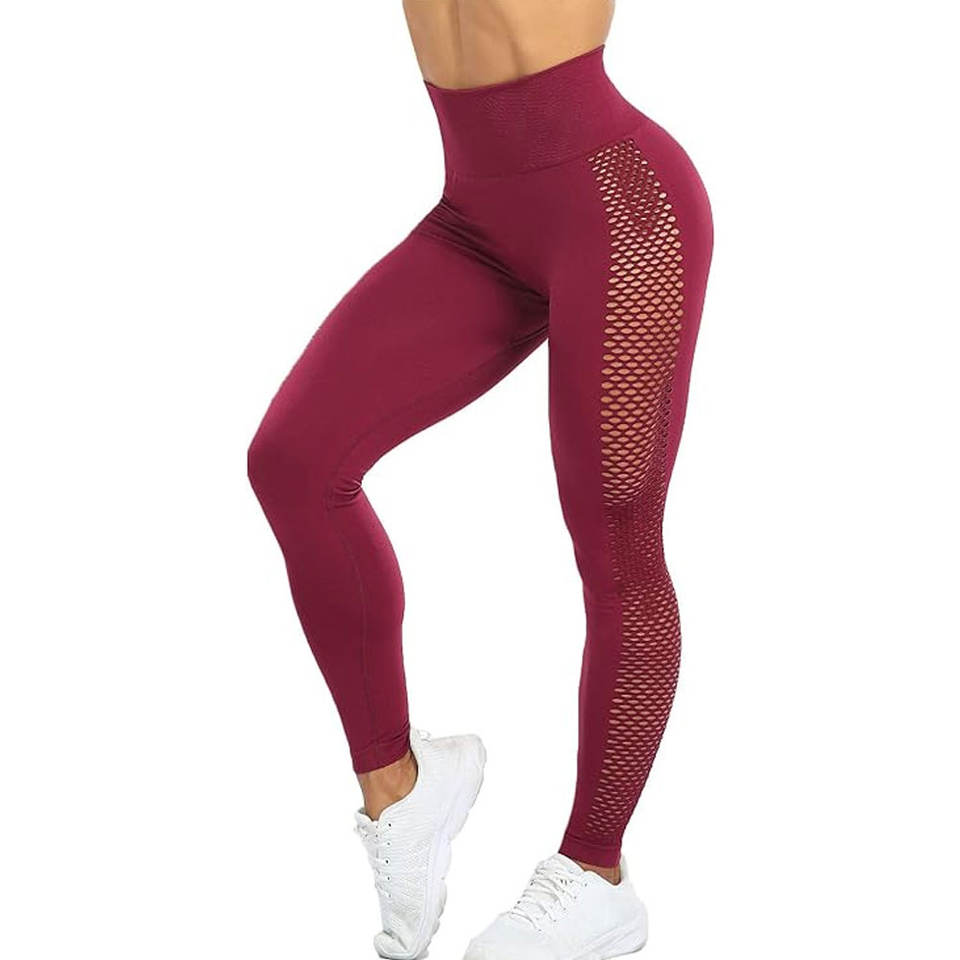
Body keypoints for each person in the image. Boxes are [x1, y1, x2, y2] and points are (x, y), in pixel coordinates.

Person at [248, 1, 713, 957]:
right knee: (295, 462)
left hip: (619, 209)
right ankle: (402, 786)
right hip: (476, 220)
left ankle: (596, 874)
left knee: (616, 541)